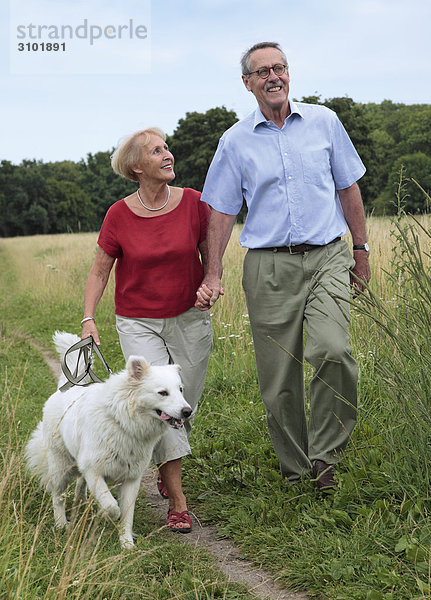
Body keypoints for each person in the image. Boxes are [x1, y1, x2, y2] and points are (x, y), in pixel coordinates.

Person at [195, 42, 371, 491]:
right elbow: (220, 211)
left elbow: (349, 187)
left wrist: (361, 249)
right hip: (269, 267)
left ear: (289, 74)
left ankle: (326, 458)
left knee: (333, 351)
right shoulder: (235, 141)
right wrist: (212, 272)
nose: (274, 76)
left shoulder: (324, 122)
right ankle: (296, 470)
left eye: (280, 68)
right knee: (278, 378)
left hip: (329, 255)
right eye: (262, 71)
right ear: (247, 82)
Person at [81, 126, 213, 531]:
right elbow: (101, 269)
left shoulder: (194, 202)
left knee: (184, 401)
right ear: (137, 167)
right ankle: (177, 499)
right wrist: (88, 318)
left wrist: (212, 281)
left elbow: (211, 251)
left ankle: (162, 462)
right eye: (157, 151)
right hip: (138, 320)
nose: (168, 155)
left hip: (190, 316)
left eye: (167, 148)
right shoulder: (118, 214)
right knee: (163, 403)